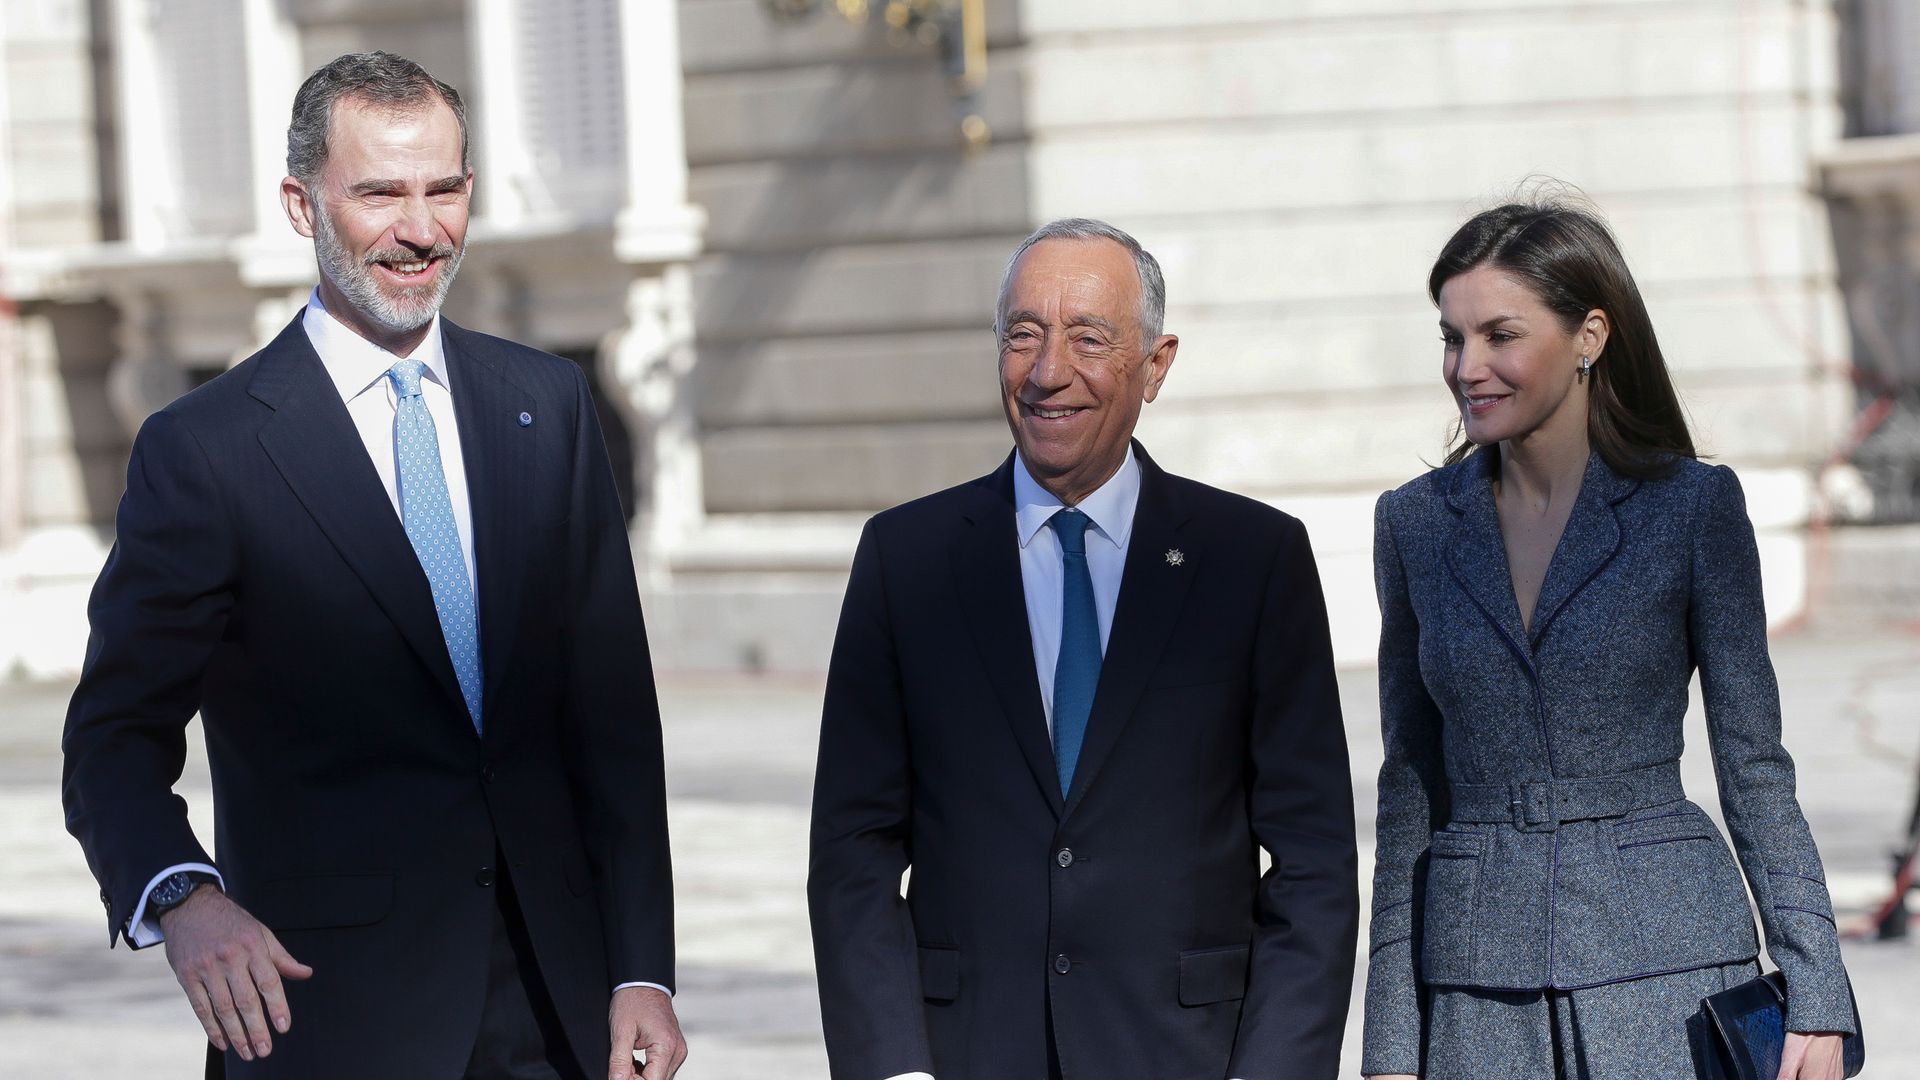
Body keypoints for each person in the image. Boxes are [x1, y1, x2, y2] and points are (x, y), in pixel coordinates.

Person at [60, 52, 686, 1080]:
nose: (421, 229)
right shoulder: (207, 450)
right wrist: (184, 899)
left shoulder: (550, 407)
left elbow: (613, 722)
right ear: (303, 208)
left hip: (563, 1015)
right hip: (328, 1023)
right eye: (381, 193)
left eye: (444, 190)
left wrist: (643, 970)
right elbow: (112, 740)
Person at [807, 218, 1358, 1080]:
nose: (1047, 371)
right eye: (1022, 335)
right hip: (965, 1056)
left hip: (1191, 1057)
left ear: (1157, 364)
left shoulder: (1251, 559)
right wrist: (893, 1068)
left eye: (1088, 338)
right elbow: (852, 850)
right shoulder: (906, 560)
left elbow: (1315, 860)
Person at [1361, 198, 1858, 1080]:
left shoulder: (1692, 509)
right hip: (1479, 992)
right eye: (1451, 337)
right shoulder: (1413, 527)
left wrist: (1817, 990)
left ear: (1589, 335)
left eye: (1500, 335)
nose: (1467, 366)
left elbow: (1754, 764)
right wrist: (1392, 1049)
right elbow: (1410, 792)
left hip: (1666, 973)